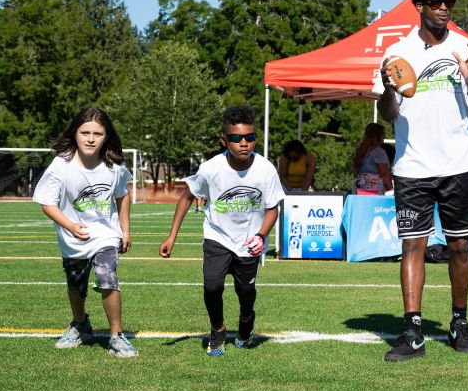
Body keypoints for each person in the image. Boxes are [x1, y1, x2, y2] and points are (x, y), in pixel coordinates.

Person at [373, 0, 468, 361]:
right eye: (436, 2)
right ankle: (412, 330)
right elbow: (387, 114)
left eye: (449, 2)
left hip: (460, 165)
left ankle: (460, 322)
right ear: (419, 5)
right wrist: (389, 88)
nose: (444, 8)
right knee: (413, 246)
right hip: (412, 166)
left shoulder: (467, 48)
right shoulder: (397, 52)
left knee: (460, 247)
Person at [159, 105, 284, 357]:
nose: (244, 143)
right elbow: (186, 198)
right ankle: (217, 329)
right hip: (217, 236)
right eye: (236, 138)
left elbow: (273, 209)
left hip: (249, 241)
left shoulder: (266, 169)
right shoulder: (210, 168)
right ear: (223, 140)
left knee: (245, 292)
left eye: (250, 137)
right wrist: (172, 236)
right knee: (212, 286)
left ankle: (246, 320)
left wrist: (260, 235)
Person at [32, 106, 136, 358]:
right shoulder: (61, 165)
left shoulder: (114, 167)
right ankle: (80, 325)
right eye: (85, 132)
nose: (90, 138)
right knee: (76, 284)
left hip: (105, 235)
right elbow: (47, 202)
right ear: (75, 134)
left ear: (106, 137)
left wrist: (125, 230)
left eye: (97, 133)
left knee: (106, 274)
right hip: (73, 237)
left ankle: (117, 336)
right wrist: (70, 226)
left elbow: (122, 196)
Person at [352, 123, 392, 195]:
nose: (385, 136)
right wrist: (391, 189)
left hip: (359, 188)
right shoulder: (379, 152)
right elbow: (384, 174)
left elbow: (355, 171)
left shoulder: (360, 150)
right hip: (374, 190)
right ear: (378, 135)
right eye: (383, 134)